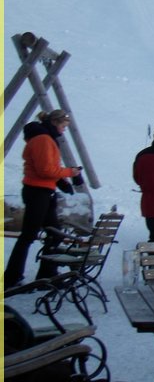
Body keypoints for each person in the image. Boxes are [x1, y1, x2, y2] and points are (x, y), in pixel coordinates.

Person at [4, 110, 82, 286]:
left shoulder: (46, 138)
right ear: (55, 122)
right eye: (63, 126)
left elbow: (48, 168)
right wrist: (70, 172)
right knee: (29, 234)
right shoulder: (43, 140)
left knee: (54, 233)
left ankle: (46, 275)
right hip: (37, 191)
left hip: (43, 191)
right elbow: (45, 170)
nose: (63, 130)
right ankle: (13, 276)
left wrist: (62, 182)